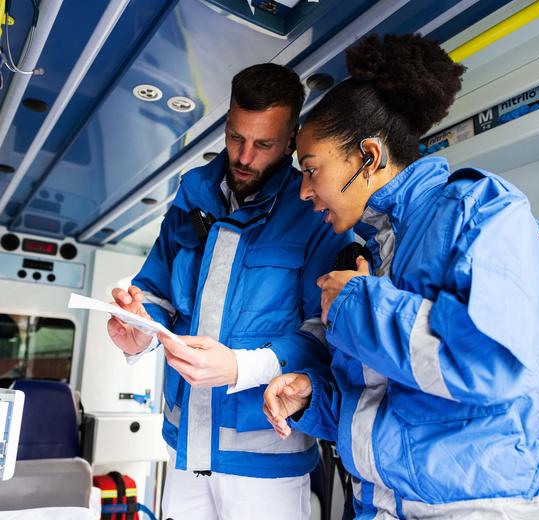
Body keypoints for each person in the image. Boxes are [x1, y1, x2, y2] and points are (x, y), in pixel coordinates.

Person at [263, 34, 539, 519]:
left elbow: (492, 363)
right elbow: (393, 404)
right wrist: (314, 398)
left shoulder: (481, 212)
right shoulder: (373, 253)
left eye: (311, 169)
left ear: (368, 156)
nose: (305, 192)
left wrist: (357, 307)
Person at [107, 63, 351, 519]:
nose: (244, 156)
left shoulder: (314, 211)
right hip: (184, 448)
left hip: (267, 458)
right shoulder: (191, 194)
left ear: (292, 139)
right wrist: (138, 331)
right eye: (237, 137)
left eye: (264, 144)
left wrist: (241, 367)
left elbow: (325, 331)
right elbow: (154, 293)